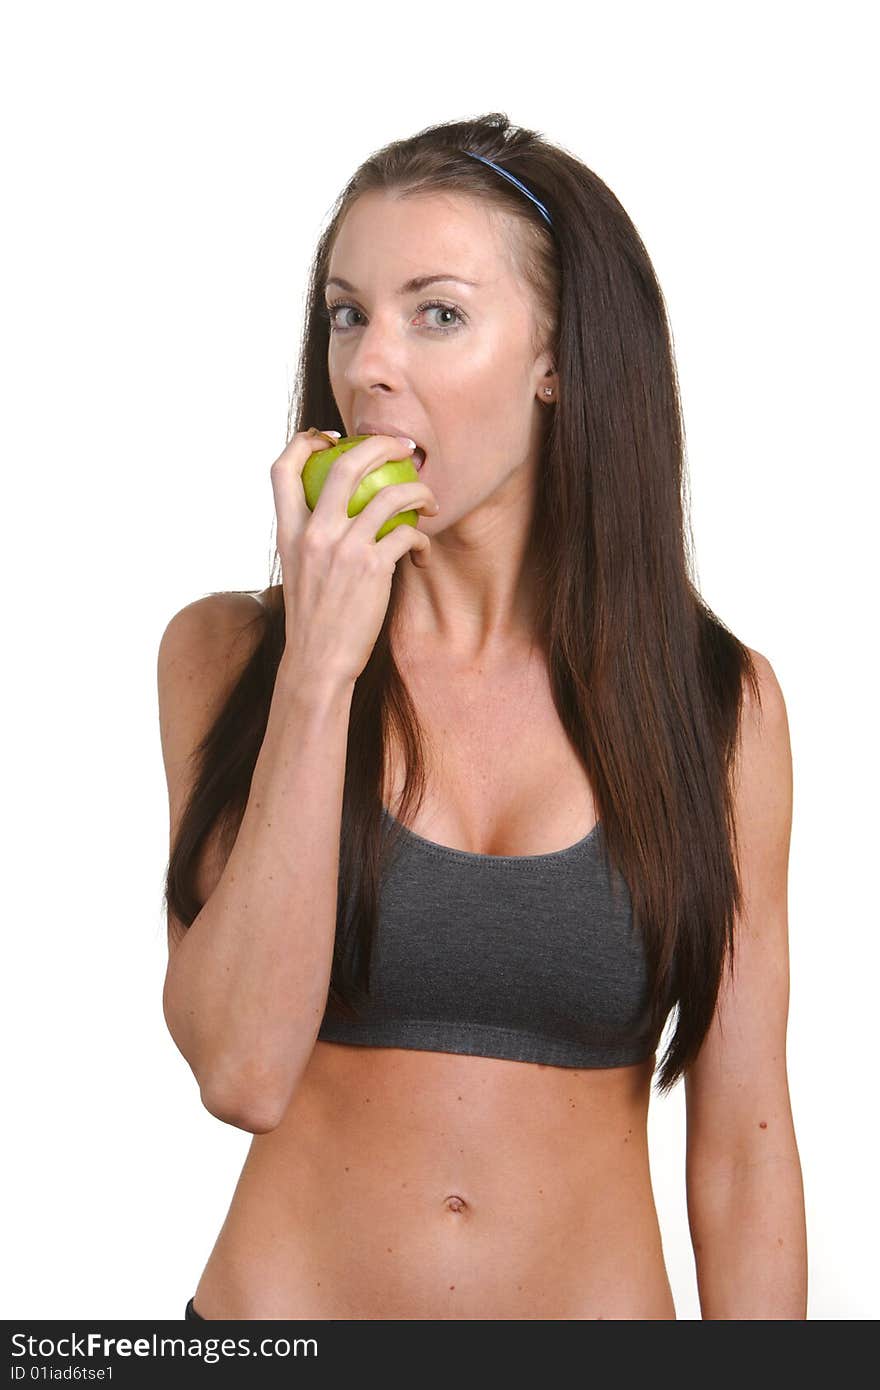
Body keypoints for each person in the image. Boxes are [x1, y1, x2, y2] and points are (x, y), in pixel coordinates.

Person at [158, 113, 806, 1320]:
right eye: (348, 313)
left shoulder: (718, 705)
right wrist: (319, 669)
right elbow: (242, 1067)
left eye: (435, 313)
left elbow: (744, 1142)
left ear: (556, 358)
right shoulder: (231, 655)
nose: (367, 366)